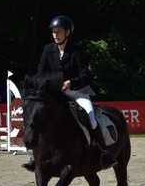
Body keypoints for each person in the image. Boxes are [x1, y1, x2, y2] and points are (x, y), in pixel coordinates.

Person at [24, 15, 100, 170]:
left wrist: (71, 82)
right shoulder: (48, 49)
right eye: (53, 32)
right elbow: (41, 72)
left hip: (75, 91)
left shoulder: (76, 50)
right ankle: (35, 155)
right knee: (38, 114)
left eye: (58, 31)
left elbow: (86, 75)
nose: (55, 34)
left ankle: (99, 151)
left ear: (67, 32)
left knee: (90, 114)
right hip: (53, 93)